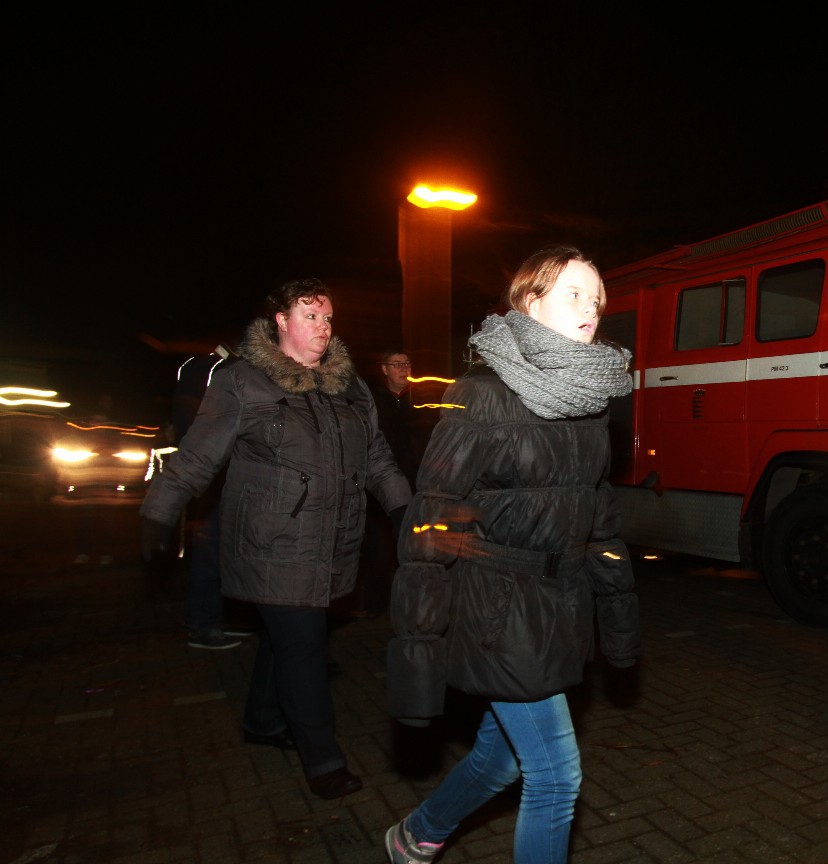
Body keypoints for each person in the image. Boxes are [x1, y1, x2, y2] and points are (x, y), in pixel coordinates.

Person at [385, 245, 640, 864]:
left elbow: (599, 519)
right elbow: (429, 520)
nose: (590, 308)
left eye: (596, 298)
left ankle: (416, 834)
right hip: (497, 608)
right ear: (530, 302)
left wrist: (619, 620)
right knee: (556, 778)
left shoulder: (589, 397)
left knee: (499, 761)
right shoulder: (482, 395)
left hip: (561, 605)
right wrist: (417, 654)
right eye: (573, 294)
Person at [140, 278, 411, 800]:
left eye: (328, 318)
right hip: (275, 543)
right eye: (310, 316)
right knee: (303, 647)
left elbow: (376, 457)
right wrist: (158, 513)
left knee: (287, 640)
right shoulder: (244, 381)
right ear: (281, 321)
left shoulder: (350, 386)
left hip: (333, 543)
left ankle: (263, 721)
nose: (323, 328)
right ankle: (323, 758)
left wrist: (402, 507)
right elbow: (198, 455)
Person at [171, 344, 252, 649]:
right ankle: (202, 625)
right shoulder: (211, 369)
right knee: (210, 553)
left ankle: (221, 618)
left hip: (223, 478)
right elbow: (198, 425)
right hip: (214, 480)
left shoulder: (216, 368)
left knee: (226, 553)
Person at [355, 348, 417, 618]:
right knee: (378, 548)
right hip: (381, 486)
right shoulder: (373, 401)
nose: (404, 369)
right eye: (396, 364)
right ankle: (375, 606)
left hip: (414, 483)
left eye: (407, 363)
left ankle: (411, 605)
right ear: (384, 369)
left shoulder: (422, 401)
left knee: (412, 547)